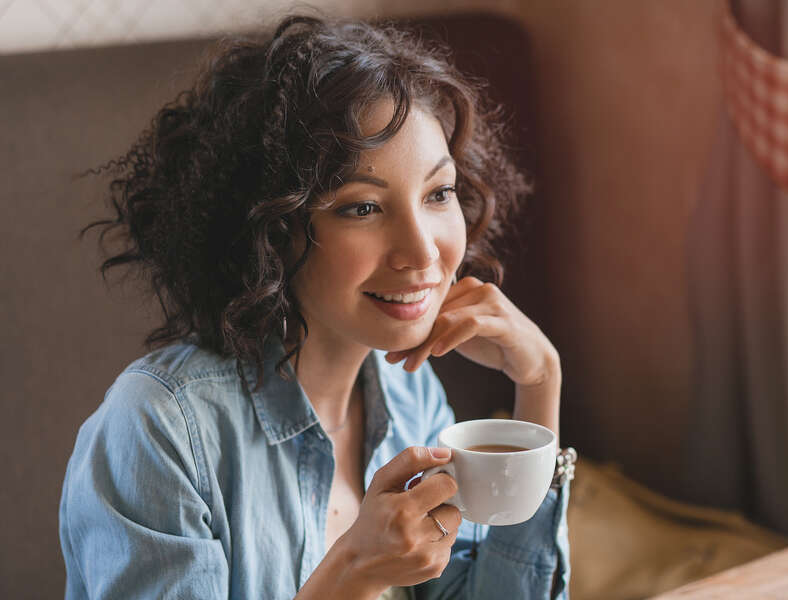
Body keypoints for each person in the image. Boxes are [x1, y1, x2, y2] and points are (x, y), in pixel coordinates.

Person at [60, 13, 570, 600]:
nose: (423, 250)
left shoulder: (408, 395)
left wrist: (540, 383)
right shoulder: (161, 429)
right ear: (273, 230)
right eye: (362, 207)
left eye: (438, 194)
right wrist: (353, 573)